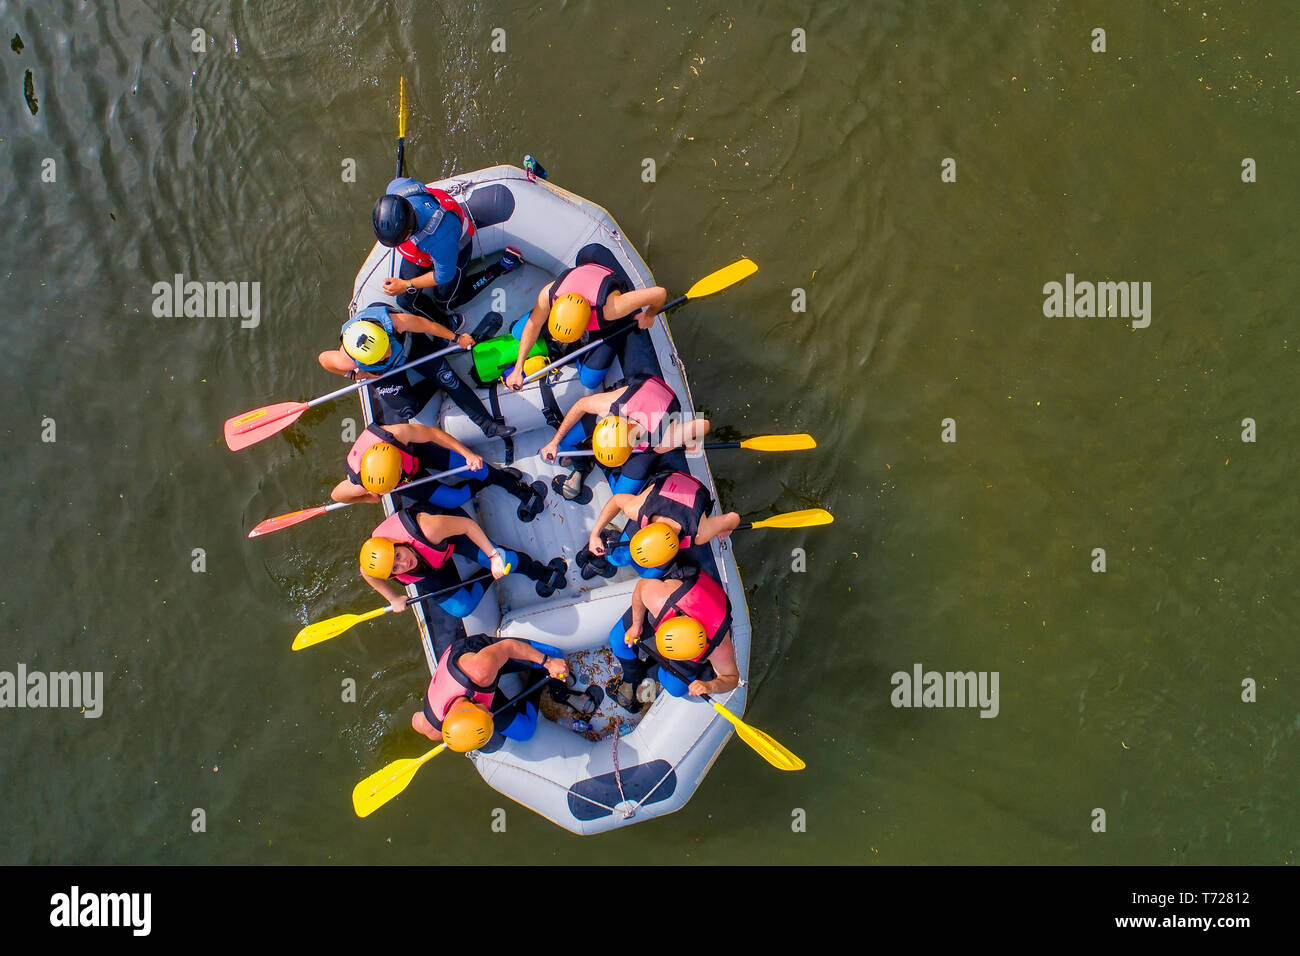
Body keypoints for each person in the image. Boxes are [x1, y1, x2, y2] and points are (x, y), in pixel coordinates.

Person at [319, 302, 514, 438]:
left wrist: (457, 338)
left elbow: (427, 326)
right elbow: (324, 360)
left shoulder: (396, 322)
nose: (387, 353)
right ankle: (433, 381)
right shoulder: (347, 359)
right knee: (407, 409)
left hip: (411, 348)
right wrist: (354, 374)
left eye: (385, 347)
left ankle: (488, 426)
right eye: (381, 355)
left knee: (450, 380)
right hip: (384, 371)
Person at [359, 504, 567, 623]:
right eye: (395, 569)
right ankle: (485, 575)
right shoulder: (380, 568)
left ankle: (540, 572)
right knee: (462, 608)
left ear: (396, 544)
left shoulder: (429, 528)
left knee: (506, 561)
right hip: (431, 568)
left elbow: (467, 526)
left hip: (451, 536)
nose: (404, 563)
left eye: (397, 556)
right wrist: (393, 598)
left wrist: (493, 556)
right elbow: (366, 573)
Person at [371, 174, 522, 321]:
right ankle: (439, 322)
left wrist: (406, 284)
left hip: (454, 252)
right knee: (404, 302)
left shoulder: (439, 239)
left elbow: (443, 276)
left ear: (410, 230)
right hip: (420, 254)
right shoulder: (398, 188)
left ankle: (499, 268)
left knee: (445, 301)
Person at [411, 633, 604, 748]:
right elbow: (416, 722)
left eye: (485, 713)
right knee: (524, 731)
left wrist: (548, 663)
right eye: (487, 715)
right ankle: (538, 678)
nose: (490, 713)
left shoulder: (481, 669)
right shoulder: (435, 728)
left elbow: (509, 647)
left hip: (482, 657)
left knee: (554, 654)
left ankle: (551, 679)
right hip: (470, 698)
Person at [538, 373, 708, 502]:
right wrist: (554, 442)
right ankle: (584, 464)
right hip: (634, 396)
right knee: (564, 443)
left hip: (661, 412)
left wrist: (690, 440)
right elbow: (582, 405)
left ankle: (598, 462)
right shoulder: (611, 406)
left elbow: (703, 424)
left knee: (620, 495)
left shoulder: (662, 440)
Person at [503, 263, 668, 391]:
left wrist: (649, 315)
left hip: (604, 313)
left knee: (589, 380)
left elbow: (659, 293)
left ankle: (579, 352)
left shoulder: (612, 309)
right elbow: (534, 324)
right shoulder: (548, 294)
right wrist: (518, 368)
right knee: (518, 332)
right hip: (579, 290)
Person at [336, 421, 547, 521]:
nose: (401, 473)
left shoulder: (397, 434)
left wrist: (468, 454)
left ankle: (514, 487)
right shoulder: (358, 480)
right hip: (409, 483)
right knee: (454, 499)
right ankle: (493, 478)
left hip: (416, 453)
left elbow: (433, 435)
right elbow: (337, 495)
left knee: (475, 468)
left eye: (398, 470)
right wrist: (370, 497)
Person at [606, 567, 739, 711]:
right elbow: (641, 586)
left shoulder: (718, 647)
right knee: (617, 641)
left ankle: (650, 673)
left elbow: (731, 677)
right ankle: (633, 674)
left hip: (692, 643)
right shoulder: (661, 600)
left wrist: (709, 686)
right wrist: (636, 625)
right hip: (672, 610)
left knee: (675, 689)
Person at [578, 469, 740, 580]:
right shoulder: (637, 508)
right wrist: (595, 533)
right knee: (619, 558)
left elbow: (733, 518)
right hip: (667, 486)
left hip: (695, 492)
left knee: (649, 574)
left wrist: (724, 529)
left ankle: (614, 541)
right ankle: (608, 533)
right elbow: (616, 500)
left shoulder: (699, 533)